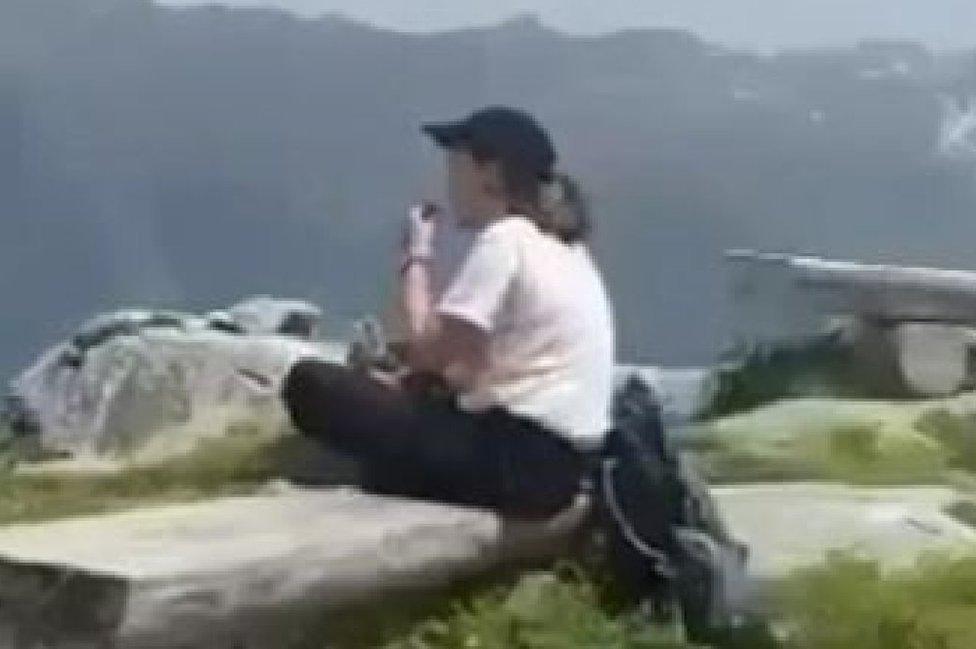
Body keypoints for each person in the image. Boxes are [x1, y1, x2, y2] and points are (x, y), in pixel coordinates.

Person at [281, 106, 615, 516]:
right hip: (567, 463)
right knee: (415, 411)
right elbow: (468, 368)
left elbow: (422, 348)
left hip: (517, 462)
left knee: (311, 384)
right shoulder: (570, 251)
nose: (449, 181)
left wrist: (416, 257)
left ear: (489, 173)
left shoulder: (506, 239)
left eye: (457, 166)